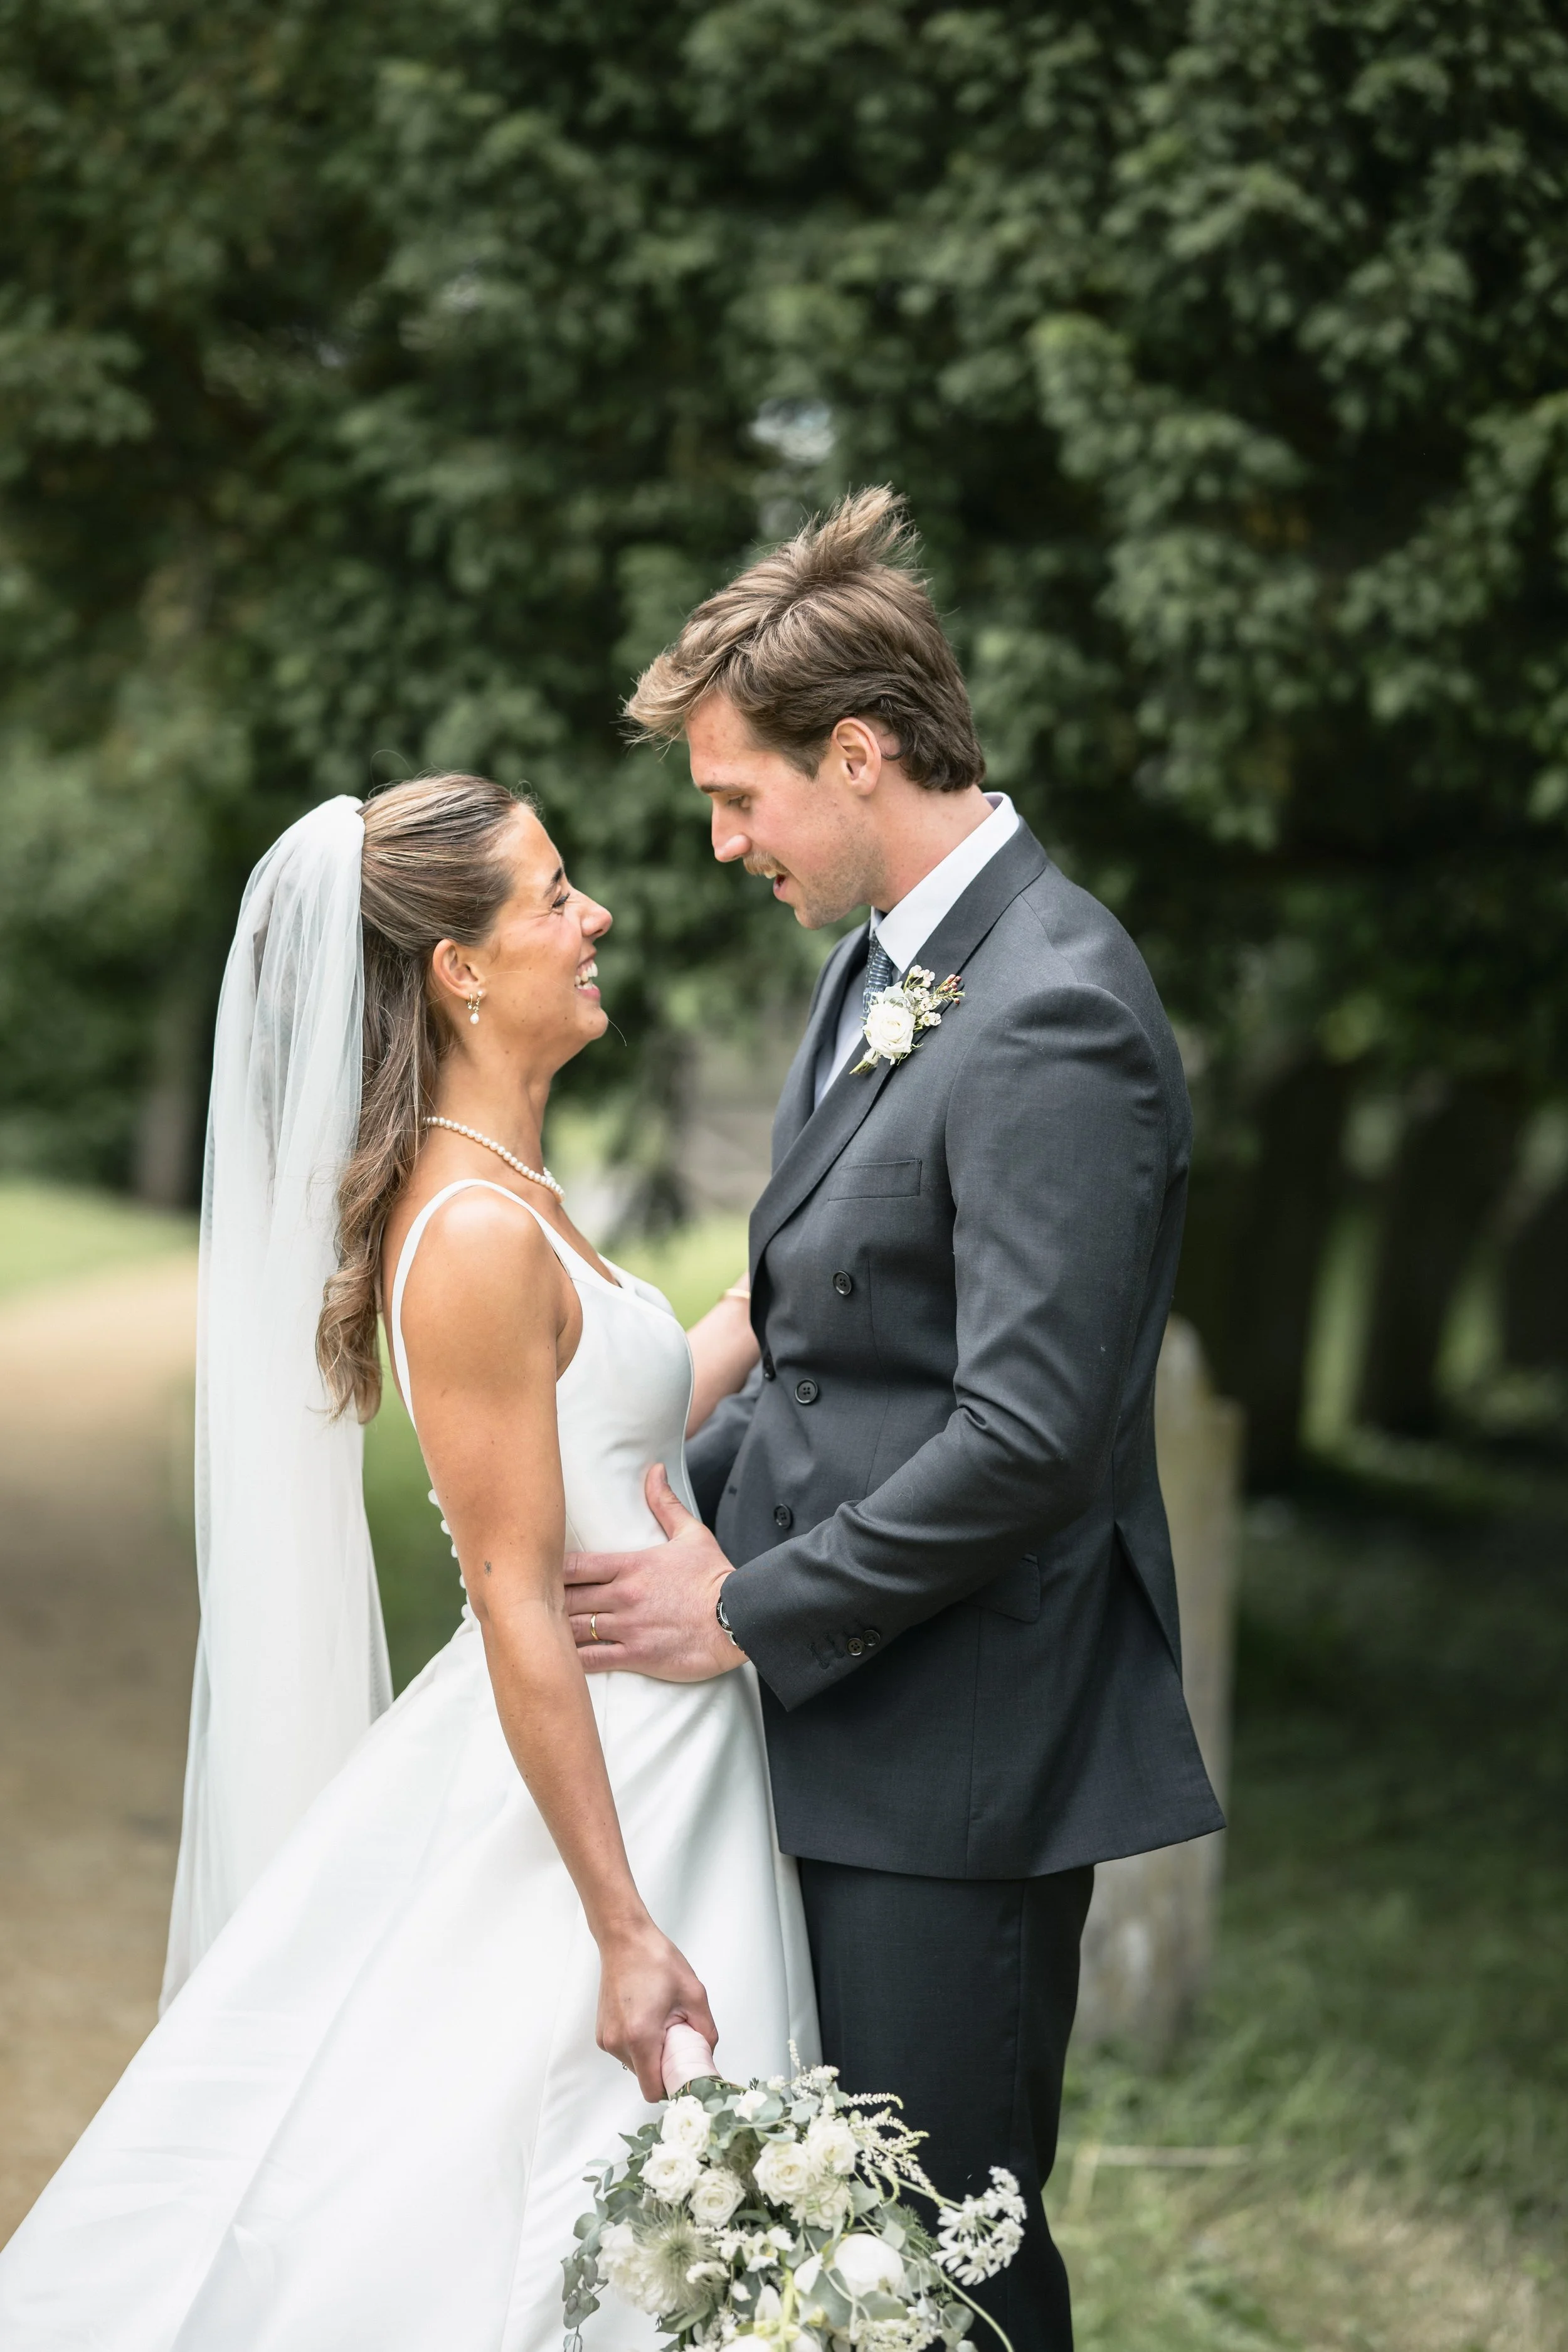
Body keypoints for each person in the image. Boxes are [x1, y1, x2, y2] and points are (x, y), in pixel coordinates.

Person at [0, 777, 815, 2349]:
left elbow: (641, 1403)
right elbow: (515, 1592)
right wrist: (622, 1926)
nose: (595, 922)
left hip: (670, 1736)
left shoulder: (523, 1202)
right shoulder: (473, 1238)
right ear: (457, 968)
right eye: (552, 897)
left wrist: (832, 1206)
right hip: (593, 1782)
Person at [563, 489, 1225, 2352]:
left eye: (738, 795)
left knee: (944, 2259)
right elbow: (817, 1324)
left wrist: (745, 1609)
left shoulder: (1052, 1010)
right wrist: (629, 1503)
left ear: (854, 756)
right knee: (819, 2247)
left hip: (958, 1764)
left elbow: (1028, 1436)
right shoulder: (885, 963)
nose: (719, 842)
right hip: (843, 1726)